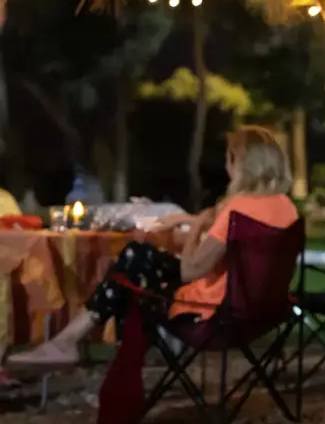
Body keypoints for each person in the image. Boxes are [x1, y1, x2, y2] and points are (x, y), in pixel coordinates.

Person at [7, 125, 298, 369]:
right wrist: (191, 221)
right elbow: (232, 247)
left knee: (134, 263)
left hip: (215, 317)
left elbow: (189, 270)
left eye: (230, 160)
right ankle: (76, 344)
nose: (227, 167)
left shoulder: (236, 210)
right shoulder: (286, 209)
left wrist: (197, 225)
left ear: (242, 164)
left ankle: (72, 344)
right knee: (139, 263)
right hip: (264, 314)